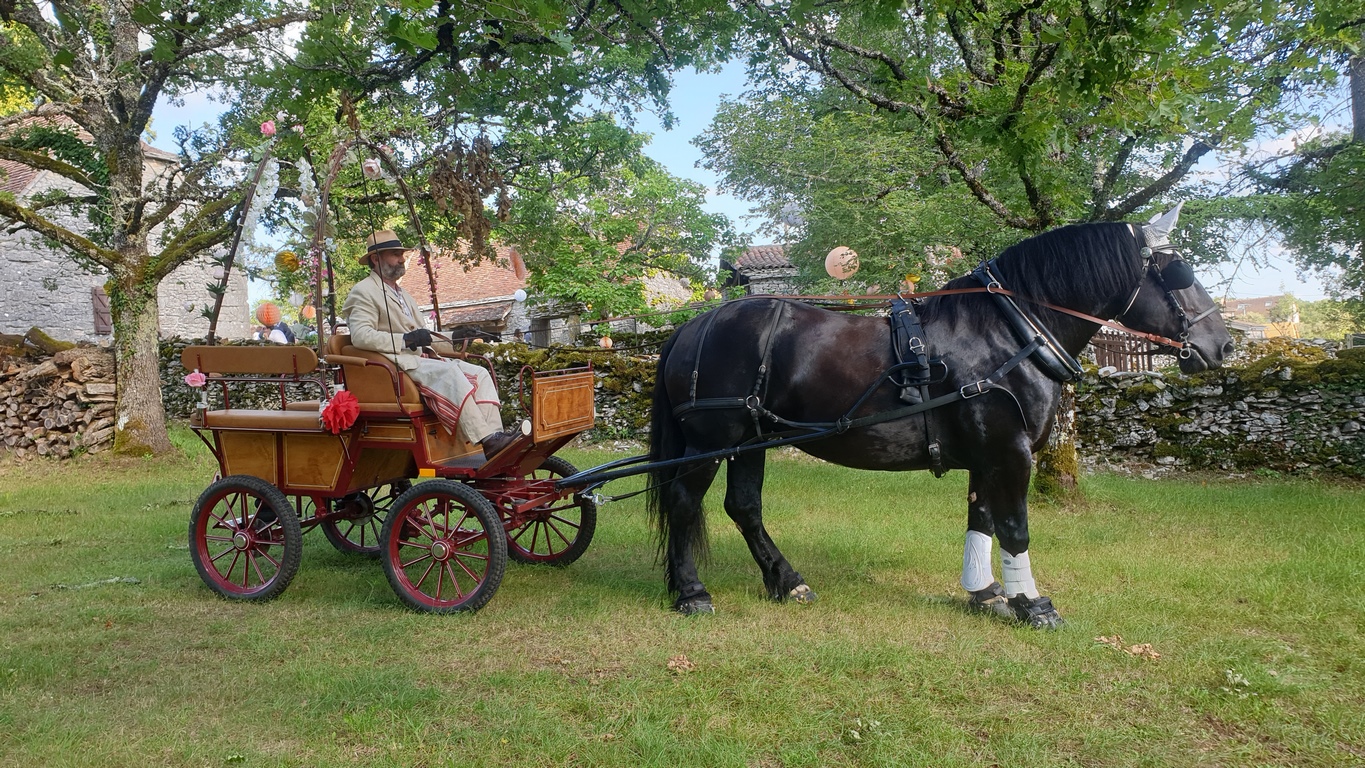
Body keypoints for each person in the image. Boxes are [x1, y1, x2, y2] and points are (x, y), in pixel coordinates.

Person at [342, 230, 517, 455]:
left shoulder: (404, 294)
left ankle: (494, 438)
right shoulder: (363, 291)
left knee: (480, 373)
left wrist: (456, 337)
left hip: (422, 359)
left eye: (402, 254)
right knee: (451, 374)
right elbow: (360, 336)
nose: (402, 259)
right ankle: (486, 439)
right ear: (376, 259)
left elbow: (424, 337)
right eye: (395, 254)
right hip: (396, 366)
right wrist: (404, 340)